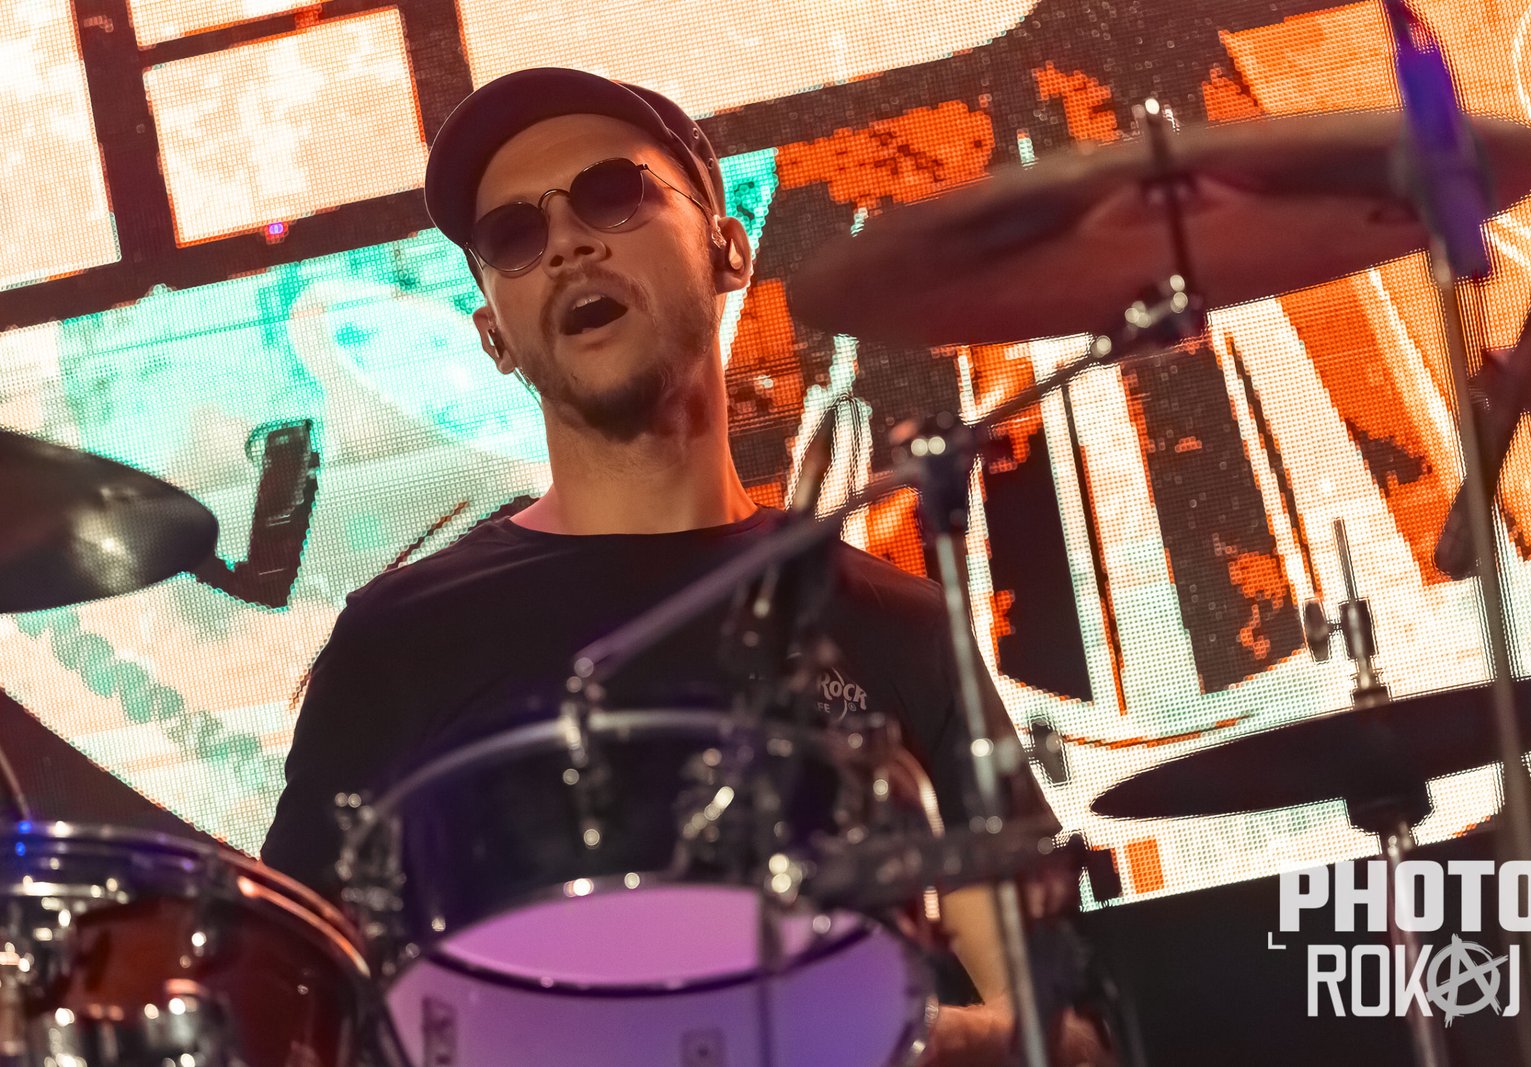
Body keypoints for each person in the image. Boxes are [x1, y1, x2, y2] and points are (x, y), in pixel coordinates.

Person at [262, 67, 1109, 1066]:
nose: (567, 242)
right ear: (494, 334)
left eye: (612, 194)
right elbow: (290, 1011)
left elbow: (1069, 1032)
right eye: (515, 236)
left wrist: (844, 1034)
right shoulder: (400, 638)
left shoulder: (894, 623)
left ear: (728, 248)